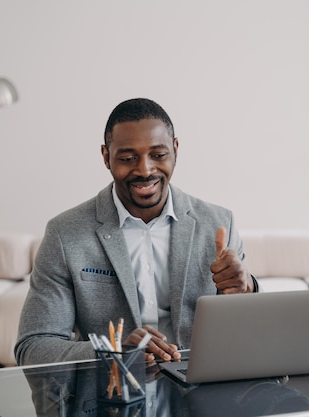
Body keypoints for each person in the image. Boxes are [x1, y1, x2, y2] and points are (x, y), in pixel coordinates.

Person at [15, 98, 257, 366]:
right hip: (113, 394)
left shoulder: (219, 223)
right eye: (128, 158)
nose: (145, 170)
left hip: (202, 390)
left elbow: (248, 334)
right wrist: (113, 352)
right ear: (106, 157)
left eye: (158, 155)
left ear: (175, 149)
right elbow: (34, 346)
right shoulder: (64, 234)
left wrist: (247, 289)